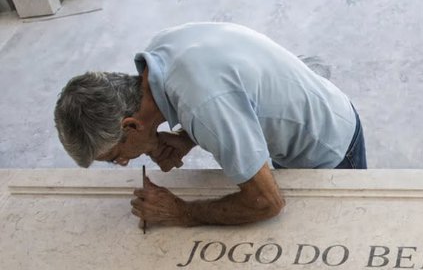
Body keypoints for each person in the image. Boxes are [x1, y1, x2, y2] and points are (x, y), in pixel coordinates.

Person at [54, 22, 366, 229]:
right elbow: (229, 94)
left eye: (114, 156)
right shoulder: (161, 52)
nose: (123, 162)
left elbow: (266, 202)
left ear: (132, 126)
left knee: (347, 231)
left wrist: (180, 212)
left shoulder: (203, 106)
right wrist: (186, 138)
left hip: (330, 147)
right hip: (309, 104)